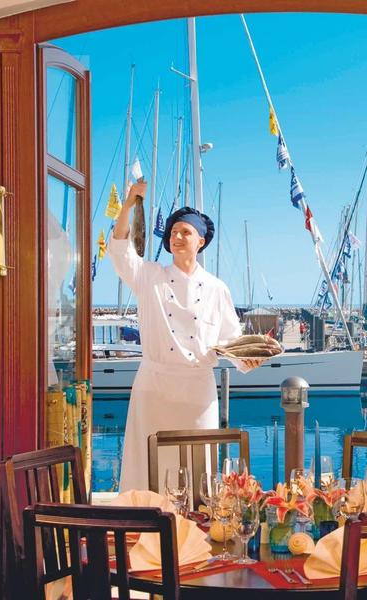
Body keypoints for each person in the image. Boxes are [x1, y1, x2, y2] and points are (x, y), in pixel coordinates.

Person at [108, 182, 260, 491]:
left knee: (197, 468)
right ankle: (144, 527)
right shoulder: (150, 277)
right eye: (173, 233)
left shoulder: (217, 288)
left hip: (197, 393)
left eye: (185, 232)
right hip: (154, 388)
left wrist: (248, 359)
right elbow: (120, 246)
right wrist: (129, 203)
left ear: (200, 241)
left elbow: (231, 339)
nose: (177, 237)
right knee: (147, 468)